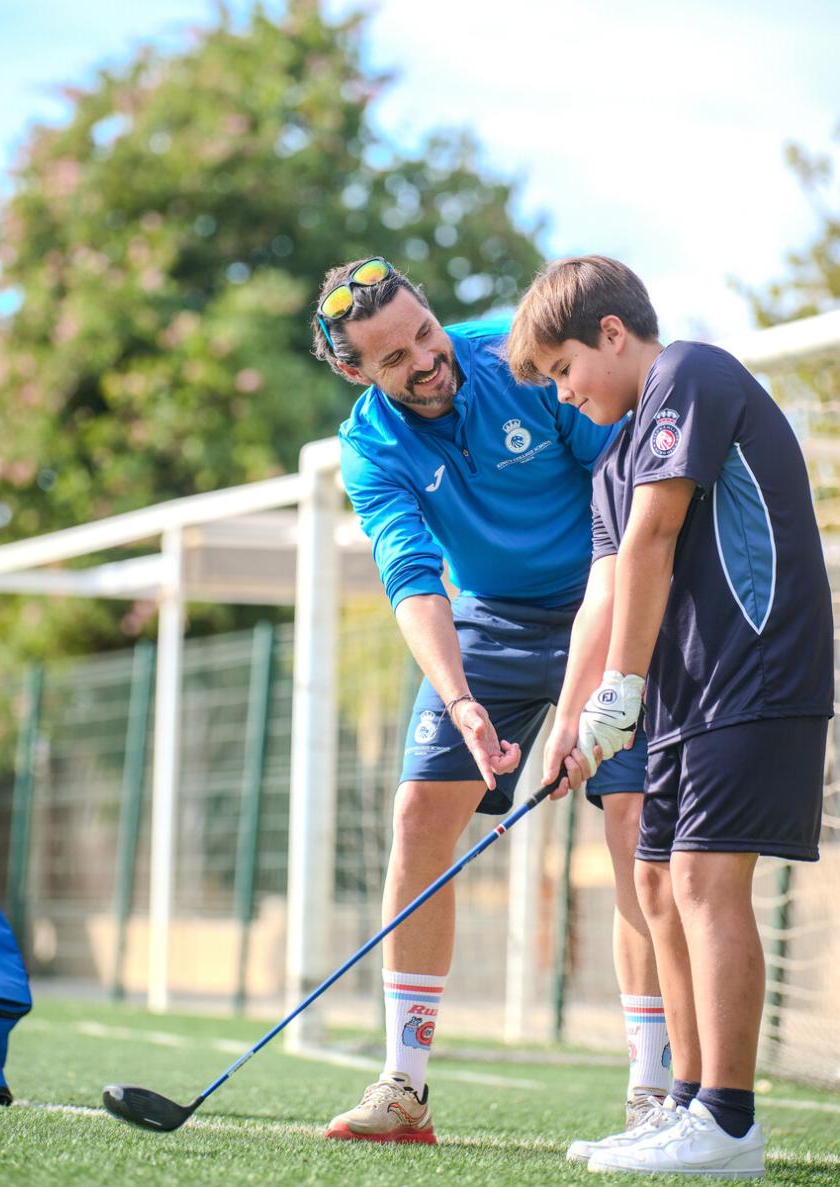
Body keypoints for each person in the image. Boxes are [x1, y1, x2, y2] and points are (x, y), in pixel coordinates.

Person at [311, 257, 670, 1144]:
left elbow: (618, 511)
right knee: (420, 814)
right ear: (356, 373)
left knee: (630, 822)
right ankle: (404, 1087)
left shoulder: (522, 360)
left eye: (424, 332)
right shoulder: (370, 447)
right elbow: (412, 575)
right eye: (393, 359)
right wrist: (461, 699)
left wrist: (590, 678)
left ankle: (654, 1090)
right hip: (493, 621)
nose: (427, 360)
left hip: (606, 593)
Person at [507, 255, 833, 1177]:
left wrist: (622, 691)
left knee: (699, 883)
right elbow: (603, 593)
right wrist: (571, 723)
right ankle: (684, 1104)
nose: (564, 394)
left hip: (760, 673)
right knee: (654, 887)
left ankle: (729, 1123)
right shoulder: (615, 457)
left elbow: (655, 538)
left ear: (612, 334)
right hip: (693, 693)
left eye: (565, 370)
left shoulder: (692, 371)